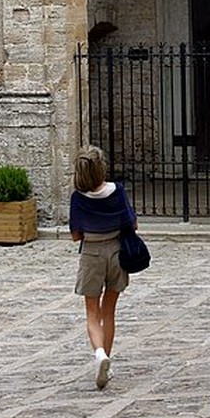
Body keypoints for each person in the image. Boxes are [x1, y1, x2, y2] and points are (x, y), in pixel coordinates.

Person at [69, 146, 137, 389]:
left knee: (92, 312)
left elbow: (76, 235)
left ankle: (99, 354)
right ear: (102, 169)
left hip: (92, 254)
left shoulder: (78, 198)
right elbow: (131, 222)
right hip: (117, 251)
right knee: (109, 311)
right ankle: (105, 361)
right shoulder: (117, 191)